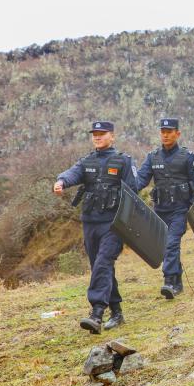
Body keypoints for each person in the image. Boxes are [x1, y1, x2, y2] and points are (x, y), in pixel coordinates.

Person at [54, 120, 136, 334]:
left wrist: (128, 226)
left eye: (102, 133)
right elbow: (72, 173)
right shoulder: (87, 161)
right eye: (94, 134)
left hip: (113, 225)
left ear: (112, 136)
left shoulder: (123, 161)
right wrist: (61, 182)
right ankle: (116, 312)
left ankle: (97, 313)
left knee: (103, 263)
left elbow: (133, 193)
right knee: (100, 267)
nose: (97, 137)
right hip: (90, 223)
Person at [135, 118, 194, 298]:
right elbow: (141, 179)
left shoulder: (188, 157)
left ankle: (169, 281)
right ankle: (177, 281)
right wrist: (126, 187)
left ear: (177, 134)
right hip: (160, 210)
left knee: (171, 243)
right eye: (163, 132)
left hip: (180, 210)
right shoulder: (152, 157)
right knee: (165, 246)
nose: (165, 135)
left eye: (169, 132)